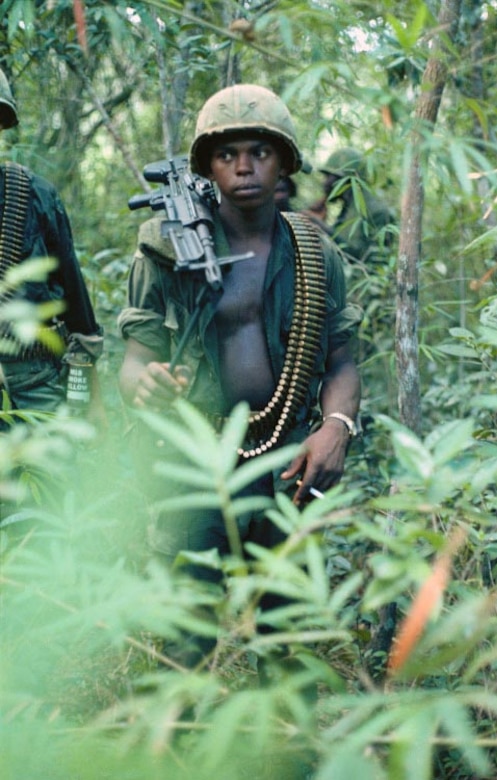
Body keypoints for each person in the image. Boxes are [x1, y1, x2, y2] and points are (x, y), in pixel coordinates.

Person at [118, 84, 361, 667]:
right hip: (194, 464)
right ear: (207, 165)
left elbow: (343, 360)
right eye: (227, 155)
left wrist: (336, 426)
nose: (244, 167)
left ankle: (283, 756)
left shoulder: (314, 251)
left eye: (259, 151)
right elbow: (133, 359)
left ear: (283, 162)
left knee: (288, 640)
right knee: (183, 642)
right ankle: (169, 752)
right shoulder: (167, 245)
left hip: (286, 465)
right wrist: (144, 382)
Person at [0, 68, 104, 424]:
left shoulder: (32, 194)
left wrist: (94, 401)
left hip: (34, 384)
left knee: (54, 478)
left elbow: (77, 307)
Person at [305, 147, 395, 264]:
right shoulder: (350, 206)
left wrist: (321, 227)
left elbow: (365, 259)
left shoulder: (374, 211)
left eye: (329, 177)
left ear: (346, 179)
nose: (325, 182)